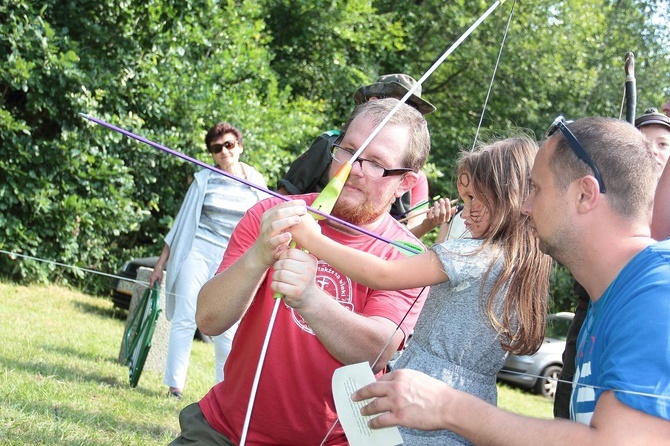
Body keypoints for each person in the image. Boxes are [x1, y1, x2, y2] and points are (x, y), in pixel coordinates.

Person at [350, 117, 670, 444]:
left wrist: (446, 406)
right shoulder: (615, 297)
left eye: (536, 188)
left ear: (585, 195)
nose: (526, 206)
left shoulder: (656, 292)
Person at [168, 98, 431, 445]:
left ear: (405, 183)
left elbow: (376, 351)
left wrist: (309, 298)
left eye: (376, 163)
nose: (352, 167)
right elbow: (209, 319)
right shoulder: (272, 214)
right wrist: (258, 257)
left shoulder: (408, 257)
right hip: (227, 430)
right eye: (347, 150)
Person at [282, 136, 553, 444]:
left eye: (474, 199)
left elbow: (382, 274)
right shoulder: (518, 260)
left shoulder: (475, 254)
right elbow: (446, 285)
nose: (465, 213)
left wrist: (311, 238)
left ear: (507, 197)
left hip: (423, 399)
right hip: (471, 404)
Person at [554, 109, 670, 418]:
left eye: (663, 144)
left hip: (637, 314)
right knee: (571, 402)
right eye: (647, 142)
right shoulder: (612, 187)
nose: (655, 152)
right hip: (592, 311)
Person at [149, 122, 268, 399]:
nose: (224, 152)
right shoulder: (204, 180)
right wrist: (160, 263)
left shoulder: (255, 181)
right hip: (199, 250)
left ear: (239, 147)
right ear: (212, 154)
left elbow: (265, 222)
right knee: (186, 316)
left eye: (228, 145)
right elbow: (180, 226)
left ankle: (222, 390)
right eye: (217, 148)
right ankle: (174, 387)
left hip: (234, 258)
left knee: (228, 326)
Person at [277, 73, 450, 238]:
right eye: (396, 104)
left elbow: (396, 229)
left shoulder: (397, 170)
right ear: (372, 102)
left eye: (412, 109)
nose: (401, 114)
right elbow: (285, 194)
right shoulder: (329, 143)